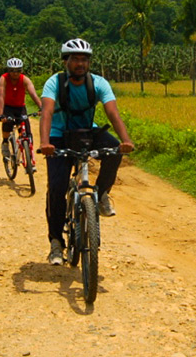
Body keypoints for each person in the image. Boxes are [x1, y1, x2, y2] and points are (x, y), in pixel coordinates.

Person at [39, 38, 134, 265]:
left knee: (113, 151)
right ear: (66, 61)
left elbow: (113, 113)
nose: (80, 64)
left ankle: (100, 195)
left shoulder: (99, 83)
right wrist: (45, 143)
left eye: (84, 59)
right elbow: (47, 113)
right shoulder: (55, 83)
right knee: (56, 188)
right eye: (75, 59)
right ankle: (55, 243)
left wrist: (126, 140)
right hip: (58, 137)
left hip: (87, 133)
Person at [0, 57, 42, 162]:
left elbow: (33, 95)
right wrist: (1, 114)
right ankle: (5, 143)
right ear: (8, 70)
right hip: (8, 107)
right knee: (7, 123)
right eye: (12, 70)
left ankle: (29, 155)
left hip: (20, 107)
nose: (15, 73)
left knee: (27, 131)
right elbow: (1, 97)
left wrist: (41, 107)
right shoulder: (4, 79)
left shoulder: (25, 80)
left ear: (21, 70)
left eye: (17, 70)